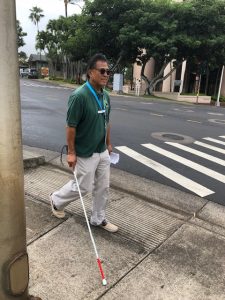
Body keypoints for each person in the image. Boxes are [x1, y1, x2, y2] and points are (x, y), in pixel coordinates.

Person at [50, 53, 118, 233]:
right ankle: (56, 200)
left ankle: (98, 218)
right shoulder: (79, 96)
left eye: (108, 71)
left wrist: (109, 143)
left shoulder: (105, 96)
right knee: (83, 186)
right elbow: (71, 127)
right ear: (90, 73)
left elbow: (106, 121)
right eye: (102, 71)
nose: (106, 74)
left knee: (103, 186)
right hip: (85, 151)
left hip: (101, 149)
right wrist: (71, 152)